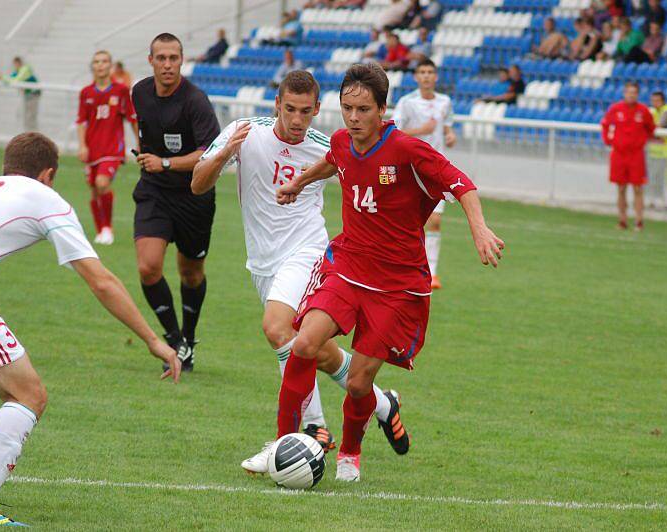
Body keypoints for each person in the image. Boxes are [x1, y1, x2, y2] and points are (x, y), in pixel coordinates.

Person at [243, 63, 504, 482]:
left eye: (364, 109)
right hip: (348, 266)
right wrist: (300, 182)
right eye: (347, 108)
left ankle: (350, 451)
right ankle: (281, 444)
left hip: (396, 286)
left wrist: (479, 227)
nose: (354, 118)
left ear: (383, 109)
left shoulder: (406, 149)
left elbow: (461, 183)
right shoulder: (344, 141)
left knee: (360, 383)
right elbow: (332, 160)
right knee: (303, 344)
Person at [0, 132, 180, 527]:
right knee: (28, 394)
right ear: (48, 174)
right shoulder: (45, 198)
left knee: (15, 390)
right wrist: (154, 340)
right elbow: (101, 281)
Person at [191, 70, 403, 459]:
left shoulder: (328, 146)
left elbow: (370, 174)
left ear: (317, 110)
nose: (296, 120)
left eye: (306, 112)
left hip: (307, 252)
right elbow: (198, 184)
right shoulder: (244, 131)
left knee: (277, 329)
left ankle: (313, 429)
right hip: (262, 261)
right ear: (276, 104)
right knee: (313, 350)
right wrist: (224, 155)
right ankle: (381, 402)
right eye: (289, 109)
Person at [131, 33, 221, 371]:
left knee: (191, 273)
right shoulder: (139, 91)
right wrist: (147, 158)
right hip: (154, 191)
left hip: (194, 196)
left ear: (182, 61)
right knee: (148, 266)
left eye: (173, 58)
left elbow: (208, 155)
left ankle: (189, 338)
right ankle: (173, 341)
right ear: (150, 60)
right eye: (161, 58)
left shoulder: (195, 101)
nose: (167, 64)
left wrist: (165, 162)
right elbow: (144, 130)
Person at [392, 59, 457, 289]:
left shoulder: (445, 102)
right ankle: (403, 266)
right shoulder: (407, 102)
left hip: (435, 168)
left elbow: (447, 125)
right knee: (407, 221)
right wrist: (422, 130)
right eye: (422, 72)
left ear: (436, 76)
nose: (427, 76)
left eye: (430, 72)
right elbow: (395, 131)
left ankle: (432, 272)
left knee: (435, 221)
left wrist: (449, 135)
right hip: (410, 169)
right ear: (416, 77)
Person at [76, 50, 139, 245]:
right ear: (92, 66)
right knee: (94, 189)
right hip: (92, 150)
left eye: (104, 61)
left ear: (110, 66)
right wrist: (82, 145)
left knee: (103, 183)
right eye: (97, 62)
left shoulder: (120, 91)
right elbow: (81, 121)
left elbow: (132, 118)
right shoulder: (86, 93)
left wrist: (139, 143)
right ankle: (100, 230)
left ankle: (107, 228)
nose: (100, 65)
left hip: (112, 150)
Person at [601, 81, 656, 230]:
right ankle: (622, 220)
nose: (631, 95)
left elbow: (651, 128)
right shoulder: (616, 109)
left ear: (637, 94)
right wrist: (609, 140)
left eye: (634, 92)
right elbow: (605, 125)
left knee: (638, 188)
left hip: (636, 155)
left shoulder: (643, 111)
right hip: (619, 154)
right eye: (629, 92)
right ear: (624, 93)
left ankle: (639, 221)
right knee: (621, 188)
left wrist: (642, 140)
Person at [0, 57, 40, 131]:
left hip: (33, 95)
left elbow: (15, 81)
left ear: (19, 62)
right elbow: (10, 79)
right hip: (27, 95)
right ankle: (29, 135)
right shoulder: (17, 71)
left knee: (31, 117)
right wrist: (2, 77)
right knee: (27, 117)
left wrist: (2, 77)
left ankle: (34, 136)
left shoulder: (25, 69)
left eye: (15, 64)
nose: (15, 65)